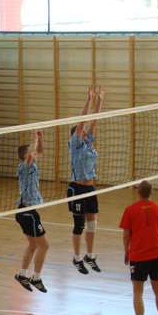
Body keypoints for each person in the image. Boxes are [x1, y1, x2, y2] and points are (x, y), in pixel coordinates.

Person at [120, 181, 158, 315]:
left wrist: (126, 251)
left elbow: (126, 235)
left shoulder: (130, 210)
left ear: (138, 192)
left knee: (138, 291)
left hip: (138, 255)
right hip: (156, 254)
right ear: (151, 192)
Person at [68, 86, 103, 275]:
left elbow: (94, 121)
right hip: (77, 188)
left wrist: (100, 101)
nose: (84, 132)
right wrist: (88, 100)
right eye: (81, 131)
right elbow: (82, 122)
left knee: (92, 224)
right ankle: (77, 257)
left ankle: (89, 255)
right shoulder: (75, 144)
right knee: (79, 225)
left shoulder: (88, 143)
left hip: (90, 188)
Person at [14, 130, 49, 293]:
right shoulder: (24, 165)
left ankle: (22, 275)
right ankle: (36, 277)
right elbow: (33, 154)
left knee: (33, 245)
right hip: (27, 212)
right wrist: (35, 139)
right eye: (30, 151)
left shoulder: (30, 164)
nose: (33, 153)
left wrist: (39, 138)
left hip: (25, 211)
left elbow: (39, 151)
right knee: (44, 246)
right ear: (25, 155)